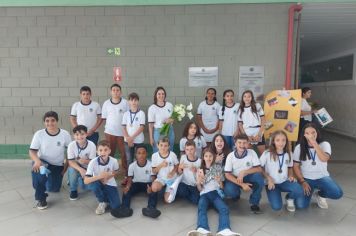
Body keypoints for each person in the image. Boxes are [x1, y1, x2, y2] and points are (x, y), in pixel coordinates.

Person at [187, 148, 240, 236]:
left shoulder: (218, 168)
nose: (208, 158)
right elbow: (200, 189)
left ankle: (224, 229)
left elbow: (222, 187)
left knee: (224, 209)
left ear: (214, 157)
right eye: (206, 156)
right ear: (203, 157)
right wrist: (198, 182)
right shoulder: (200, 170)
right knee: (201, 208)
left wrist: (219, 181)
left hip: (215, 194)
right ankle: (202, 229)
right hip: (204, 195)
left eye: (210, 156)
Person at [293, 123, 343, 209]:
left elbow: (324, 158)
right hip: (306, 178)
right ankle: (309, 190)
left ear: (317, 133)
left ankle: (320, 195)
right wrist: (302, 181)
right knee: (301, 205)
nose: (311, 135)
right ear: (304, 135)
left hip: (322, 177)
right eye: (307, 133)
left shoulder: (325, 144)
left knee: (337, 193)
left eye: (313, 132)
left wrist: (314, 143)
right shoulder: (299, 147)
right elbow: (296, 166)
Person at [29, 111, 71, 209]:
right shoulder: (39, 134)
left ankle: (46, 176)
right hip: (43, 162)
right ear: (44, 122)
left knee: (53, 189)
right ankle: (41, 199)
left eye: (53, 120)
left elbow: (70, 152)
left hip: (57, 165)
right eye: (47, 121)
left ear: (57, 121)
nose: (50, 123)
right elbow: (32, 151)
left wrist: (64, 170)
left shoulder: (65, 134)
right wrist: (37, 161)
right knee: (39, 175)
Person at [111, 145, 161, 218]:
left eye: (143, 153)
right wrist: (127, 187)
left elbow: (153, 178)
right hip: (136, 184)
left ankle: (151, 208)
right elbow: (130, 179)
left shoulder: (151, 165)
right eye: (139, 153)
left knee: (154, 191)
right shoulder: (132, 166)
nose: (141, 155)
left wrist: (151, 187)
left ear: (146, 154)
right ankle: (125, 209)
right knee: (126, 191)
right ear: (136, 155)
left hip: (147, 184)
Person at [260, 130, 304, 212]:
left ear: (286, 141)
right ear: (273, 141)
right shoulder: (267, 153)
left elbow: (290, 167)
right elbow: (260, 168)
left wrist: (291, 176)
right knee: (276, 207)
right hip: (272, 183)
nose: (281, 143)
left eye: (283, 140)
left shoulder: (289, 153)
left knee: (299, 190)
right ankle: (275, 194)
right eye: (278, 140)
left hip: (284, 181)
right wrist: (269, 179)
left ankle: (289, 199)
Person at [224, 134, 264, 214]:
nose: (242, 145)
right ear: (235, 144)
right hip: (235, 179)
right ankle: (236, 194)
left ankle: (254, 202)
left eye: (244, 143)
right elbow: (227, 174)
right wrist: (242, 184)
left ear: (248, 144)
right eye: (239, 143)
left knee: (259, 178)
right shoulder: (230, 156)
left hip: (248, 177)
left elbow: (259, 169)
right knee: (229, 190)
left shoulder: (252, 152)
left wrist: (244, 172)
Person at [101, 84, 129, 184]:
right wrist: (110, 128)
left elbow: (129, 117)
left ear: (120, 92)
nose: (116, 92)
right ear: (111, 92)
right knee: (109, 153)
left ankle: (127, 174)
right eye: (113, 90)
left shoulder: (125, 103)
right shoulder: (106, 103)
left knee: (124, 154)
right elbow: (104, 118)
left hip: (123, 133)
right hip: (110, 132)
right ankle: (109, 173)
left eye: (117, 90)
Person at [84, 140, 121, 215]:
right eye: (100, 150)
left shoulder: (114, 161)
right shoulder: (93, 162)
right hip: (97, 182)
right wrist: (100, 177)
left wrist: (107, 177)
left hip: (109, 183)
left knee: (116, 206)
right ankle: (102, 201)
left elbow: (116, 171)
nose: (103, 152)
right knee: (93, 185)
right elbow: (86, 181)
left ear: (109, 151)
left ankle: (106, 198)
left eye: (105, 150)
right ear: (97, 152)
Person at [67, 125, 97, 200]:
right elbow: (70, 162)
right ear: (74, 136)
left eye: (82, 134)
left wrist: (85, 161)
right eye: (77, 134)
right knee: (72, 169)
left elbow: (93, 162)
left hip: (88, 167)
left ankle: (78, 179)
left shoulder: (92, 145)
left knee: (86, 187)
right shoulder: (71, 145)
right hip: (76, 167)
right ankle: (73, 189)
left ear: (86, 134)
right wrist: (80, 169)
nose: (79, 137)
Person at [122, 92, 145, 184]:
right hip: (127, 140)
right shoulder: (126, 114)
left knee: (140, 158)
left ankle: (139, 177)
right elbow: (123, 127)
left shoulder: (141, 113)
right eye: (132, 100)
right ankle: (128, 177)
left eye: (135, 100)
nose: (134, 102)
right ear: (129, 102)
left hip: (139, 140)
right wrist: (128, 138)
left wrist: (132, 138)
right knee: (129, 160)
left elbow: (142, 127)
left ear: (138, 101)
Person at [151, 137, 179, 203]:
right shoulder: (154, 156)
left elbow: (177, 165)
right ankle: (163, 188)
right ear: (157, 145)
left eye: (165, 146)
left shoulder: (172, 155)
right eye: (161, 145)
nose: (163, 148)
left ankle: (170, 189)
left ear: (169, 146)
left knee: (167, 201)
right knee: (154, 188)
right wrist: (161, 165)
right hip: (161, 179)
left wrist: (172, 172)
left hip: (171, 179)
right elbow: (153, 171)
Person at [238, 90, 266, 155]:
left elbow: (263, 120)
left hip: (258, 131)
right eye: (245, 96)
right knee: (248, 154)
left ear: (252, 97)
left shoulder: (257, 105)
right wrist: (246, 136)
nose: (247, 98)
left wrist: (259, 134)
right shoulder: (240, 108)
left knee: (263, 154)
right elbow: (240, 124)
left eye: (249, 96)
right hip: (247, 132)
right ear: (242, 98)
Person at [148, 87, 175, 153]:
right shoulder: (152, 108)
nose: (161, 96)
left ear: (165, 95)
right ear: (156, 95)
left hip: (170, 130)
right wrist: (151, 138)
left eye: (163, 94)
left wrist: (170, 120)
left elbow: (173, 119)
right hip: (159, 131)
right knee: (158, 151)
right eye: (159, 94)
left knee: (170, 150)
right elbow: (150, 125)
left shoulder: (169, 105)